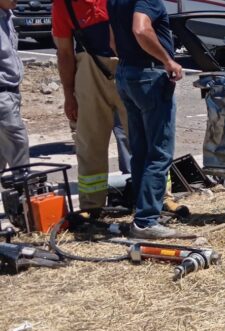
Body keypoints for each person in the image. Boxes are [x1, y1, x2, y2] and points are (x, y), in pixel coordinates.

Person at [107, 0, 184, 238]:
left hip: (126, 74)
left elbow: (112, 40)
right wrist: (167, 60)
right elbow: (140, 29)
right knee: (159, 152)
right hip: (149, 77)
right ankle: (146, 220)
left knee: (140, 151)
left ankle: (143, 211)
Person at [52, 0, 129, 215]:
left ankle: (157, 197)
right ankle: (92, 206)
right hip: (90, 70)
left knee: (143, 136)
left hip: (129, 66)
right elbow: (64, 53)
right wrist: (69, 95)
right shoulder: (63, 5)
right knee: (90, 143)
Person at [0, 0, 30, 173]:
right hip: (2, 94)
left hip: (10, 92)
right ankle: (21, 191)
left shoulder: (8, 16)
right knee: (18, 143)